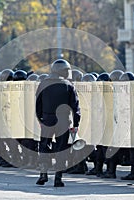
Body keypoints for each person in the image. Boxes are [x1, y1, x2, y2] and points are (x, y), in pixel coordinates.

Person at [35, 59, 81, 187]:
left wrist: (40, 120)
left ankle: (43, 174)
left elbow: (37, 104)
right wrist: (76, 124)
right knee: (61, 149)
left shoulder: (43, 84)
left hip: (47, 120)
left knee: (44, 146)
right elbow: (76, 107)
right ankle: (58, 178)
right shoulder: (69, 85)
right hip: (63, 121)